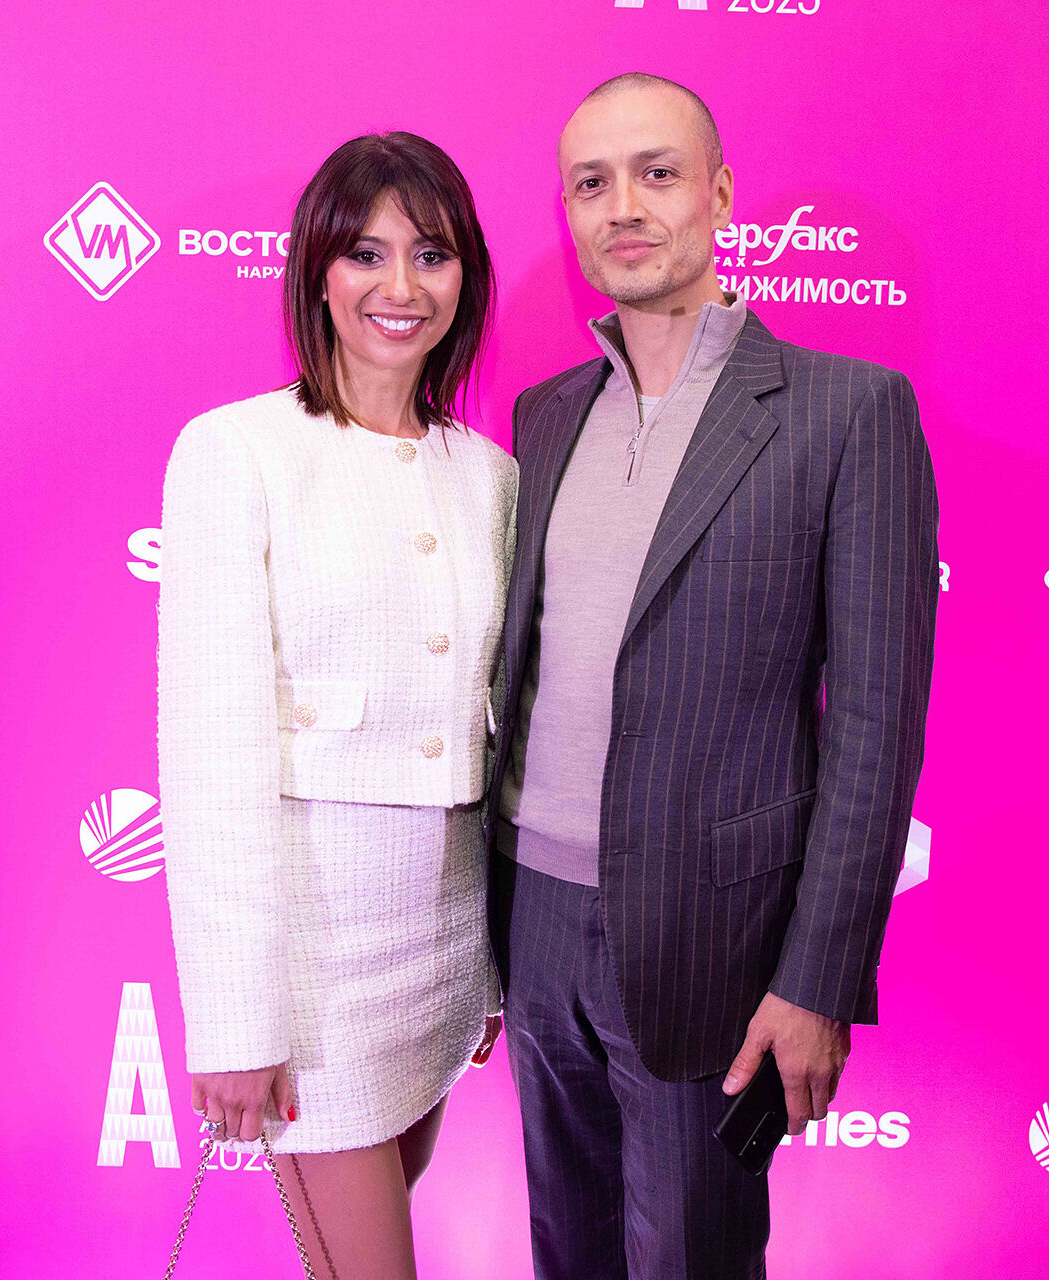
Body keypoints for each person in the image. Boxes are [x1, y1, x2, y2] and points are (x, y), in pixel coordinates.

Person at [487, 73, 940, 1279]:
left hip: (715, 934)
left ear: (722, 194)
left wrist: (818, 978)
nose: (623, 208)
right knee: (567, 1251)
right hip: (533, 920)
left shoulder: (849, 412)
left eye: (657, 172)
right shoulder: (543, 416)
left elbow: (878, 725)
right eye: (592, 183)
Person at [156, 131, 513, 1279]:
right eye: (366, 253)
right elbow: (211, 753)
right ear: (317, 271)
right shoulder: (237, 451)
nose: (400, 286)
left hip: (444, 951)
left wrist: (493, 969)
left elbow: (490, 730)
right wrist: (235, 1019)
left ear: (465, 278)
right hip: (314, 969)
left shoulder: (491, 473)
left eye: (431, 254)